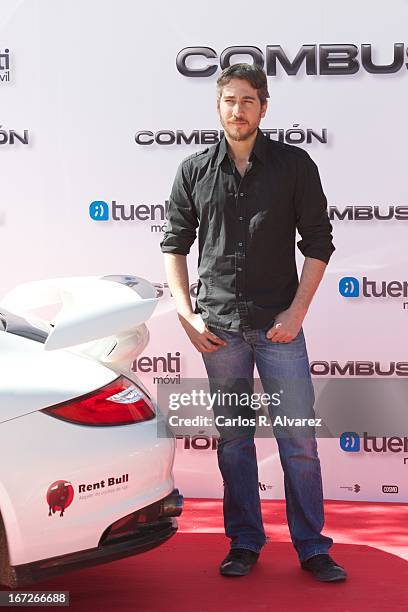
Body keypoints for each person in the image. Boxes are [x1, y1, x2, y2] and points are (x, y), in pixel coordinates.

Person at [160, 63, 347, 582]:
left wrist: (297, 312)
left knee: (300, 443)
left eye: (247, 100)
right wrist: (185, 311)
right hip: (218, 330)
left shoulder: (294, 165)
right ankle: (244, 541)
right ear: (218, 108)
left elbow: (319, 243)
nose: (237, 109)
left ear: (263, 107)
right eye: (228, 100)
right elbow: (174, 246)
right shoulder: (194, 170)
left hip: (278, 328)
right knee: (235, 441)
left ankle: (312, 546)